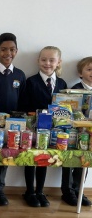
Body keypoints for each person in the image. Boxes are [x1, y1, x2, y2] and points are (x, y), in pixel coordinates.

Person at [0, 33, 27, 206]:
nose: (7, 53)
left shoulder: (20, 75)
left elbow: (23, 101)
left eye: (11, 49)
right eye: (3, 49)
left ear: (16, 51)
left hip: (12, 124)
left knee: (6, 154)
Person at [23, 46, 67, 207]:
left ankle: (40, 191)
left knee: (45, 158)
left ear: (58, 62)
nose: (47, 63)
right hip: (33, 127)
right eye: (43, 60)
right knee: (30, 158)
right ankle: (29, 191)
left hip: (53, 130)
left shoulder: (62, 83)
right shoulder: (31, 81)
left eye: (51, 60)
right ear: (38, 61)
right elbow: (24, 105)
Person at [61, 56, 92, 206]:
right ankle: (67, 191)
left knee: (85, 160)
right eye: (89, 69)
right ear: (80, 73)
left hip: (89, 133)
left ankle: (79, 190)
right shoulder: (74, 89)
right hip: (73, 131)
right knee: (70, 159)